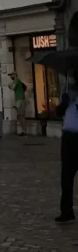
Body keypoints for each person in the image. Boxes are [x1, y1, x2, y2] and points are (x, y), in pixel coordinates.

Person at [56, 73, 78, 224]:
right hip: (69, 137)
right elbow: (59, 112)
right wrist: (64, 102)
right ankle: (66, 210)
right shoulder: (68, 92)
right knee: (67, 176)